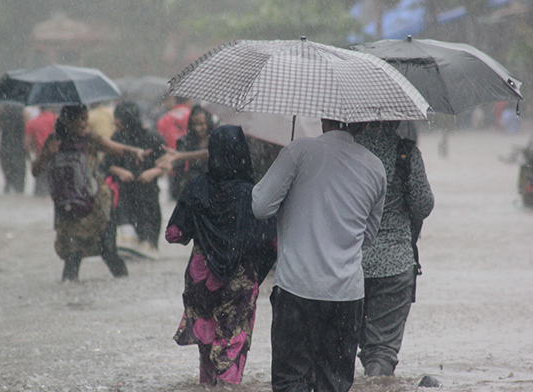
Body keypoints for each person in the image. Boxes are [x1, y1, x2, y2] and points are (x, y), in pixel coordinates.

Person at [252, 119, 387, 392]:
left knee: (291, 380)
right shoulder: (375, 167)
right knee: (334, 382)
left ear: (325, 119)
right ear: (363, 126)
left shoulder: (298, 151)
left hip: (296, 288)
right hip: (347, 295)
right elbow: (367, 236)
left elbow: (261, 207)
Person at [165, 125, 277, 386]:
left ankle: (208, 385)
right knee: (231, 342)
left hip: (200, 279)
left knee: (206, 342)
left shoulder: (196, 186)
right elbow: (273, 243)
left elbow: (174, 234)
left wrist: (201, 223)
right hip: (238, 283)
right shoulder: (252, 194)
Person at [32, 105, 148, 282]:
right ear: (68, 121)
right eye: (81, 119)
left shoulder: (90, 140)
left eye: (86, 119)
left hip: (97, 206)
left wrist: (135, 152)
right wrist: (47, 154)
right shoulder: (54, 142)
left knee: (108, 252)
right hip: (69, 208)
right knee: (72, 255)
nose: (85, 123)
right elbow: (35, 170)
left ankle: (126, 287)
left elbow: (116, 148)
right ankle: (69, 297)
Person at [355, 121, 434, 377]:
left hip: (347, 263)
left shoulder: (349, 150)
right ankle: (376, 381)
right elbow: (423, 205)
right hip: (395, 263)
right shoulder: (405, 152)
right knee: (382, 350)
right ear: (398, 118)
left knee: (346, 345)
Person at [100, 100, 165, 259]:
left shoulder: (153, 137)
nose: (114, 121)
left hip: (148, 195)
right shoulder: (117, 137)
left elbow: (169, 164)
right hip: (124, 195)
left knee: (148, 246)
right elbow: (105, 165)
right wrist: (120, 171)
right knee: (127, 245)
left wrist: (153, 172)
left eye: (118, 118)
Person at [172, 105, 215, 198]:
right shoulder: (185, 141)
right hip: (194, 189)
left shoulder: (216, 139)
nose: (197, 128)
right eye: (194, 124)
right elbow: (178, 167)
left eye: (201, 124)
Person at [0, 104, 27, 194]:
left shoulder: (0, 112)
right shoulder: (23, 113)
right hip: (19, 152)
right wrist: (29, 155)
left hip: (4, 150)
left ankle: (7, 201)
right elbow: (27, 134)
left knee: (8, 181)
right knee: (20, 184)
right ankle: (18, 204)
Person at [25, 106, 57, 197]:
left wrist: (30, 159)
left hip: (41, 159)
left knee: (39, 193)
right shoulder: (56, 119)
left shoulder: (32, 122)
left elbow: (27, 144)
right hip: (56, 159)